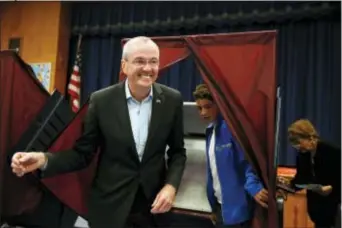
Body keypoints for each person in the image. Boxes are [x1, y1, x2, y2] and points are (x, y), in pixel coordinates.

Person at [11, 36, 187, 228]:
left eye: (153, 61)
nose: (148, 68)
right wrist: (43, 159)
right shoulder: (101, 101)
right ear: (124, 66)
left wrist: (171, 186)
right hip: (109, 208)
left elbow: (178, 152)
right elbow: (82, 155)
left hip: (152, 210)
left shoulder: (172, 100)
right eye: (140, 61)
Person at [192, 84, 268, 228]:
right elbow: (213, 172)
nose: (203, 112)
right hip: (220, 209)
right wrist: (213, 206)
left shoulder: (232, 129)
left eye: (208, 106)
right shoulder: (210, 131)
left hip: (238, 211)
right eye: (199, 108)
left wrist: (254, 187)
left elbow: (247, 162)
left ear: (219, 104)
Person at [287, 119, 341, 228]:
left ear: (309, 137)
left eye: (298, 142)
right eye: (295, 144)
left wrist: (332, 188)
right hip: (316, 211)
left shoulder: (333, 152)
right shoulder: (302, 155)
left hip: (333, 209)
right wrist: (287, 185)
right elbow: (301, 178)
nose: (298, 147)